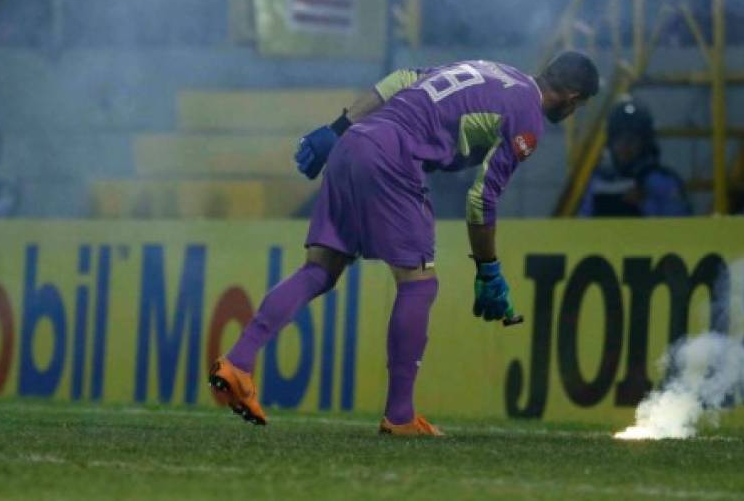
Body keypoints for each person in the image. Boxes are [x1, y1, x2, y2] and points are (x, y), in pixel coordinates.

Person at [207, 52, 599, 436]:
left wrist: (337, 128)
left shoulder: (492, 69)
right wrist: (488, 269)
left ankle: (238, 363)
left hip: (353, 144)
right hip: (393, 155)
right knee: (419, 283)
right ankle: (399, 415)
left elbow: (401, 78)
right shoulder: (528, 117)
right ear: (573, 99)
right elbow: (482, 199)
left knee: (319, 270)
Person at [579, 98, 691, 217]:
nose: (625, 145)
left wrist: (646, 203)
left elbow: (680, 225)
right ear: (610, 142)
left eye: (632, 138)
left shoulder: (663, 181)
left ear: (645, 142)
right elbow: (582, 221)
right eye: (619, 138)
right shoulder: (595, 182)